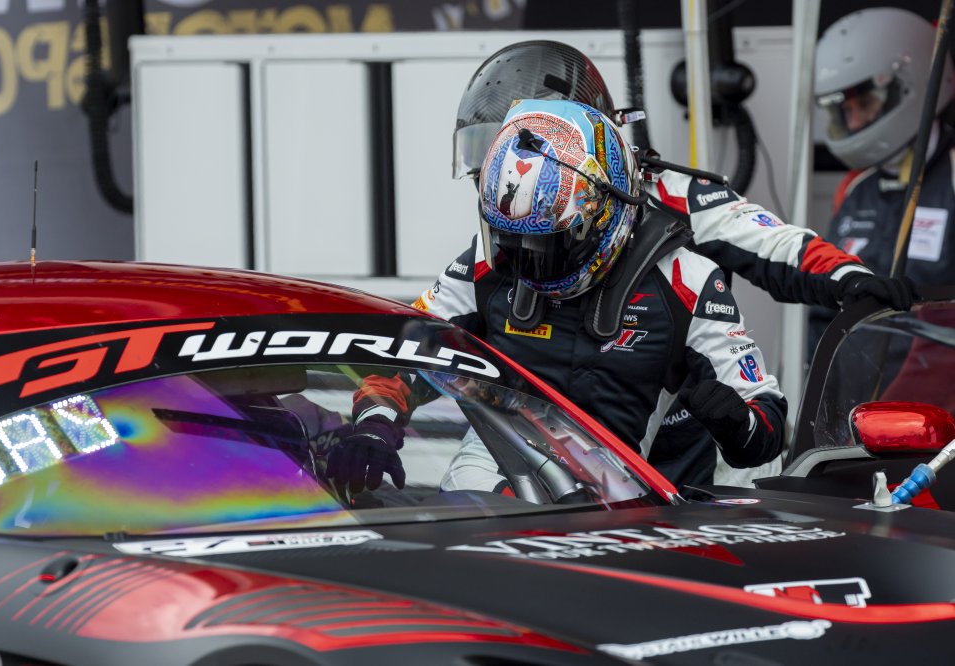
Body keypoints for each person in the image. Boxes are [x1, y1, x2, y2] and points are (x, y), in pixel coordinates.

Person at [446, 40, 914, 489]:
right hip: (571, 447)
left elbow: (778, 243)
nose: (513, 166)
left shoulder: (674, 198)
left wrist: (848, 277)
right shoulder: (506, 224)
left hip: (689, 434)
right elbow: (429, 328)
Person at [326, 99, 787, 495]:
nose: (527, 261)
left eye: (547, 244)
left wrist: (735, 423)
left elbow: (765, 421)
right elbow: (402, 353)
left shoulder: (687, 280)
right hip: (493, 471)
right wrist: (375, 424)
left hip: (615, 492)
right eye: (513, 241)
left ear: (603, 214)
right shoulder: (487, 263)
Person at [809, 7, 954, 348]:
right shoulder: (854, 189)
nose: (854, 122)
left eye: (866, 103)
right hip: (855, 380)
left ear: (910, 84)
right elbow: (824, 304)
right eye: (845, 110)